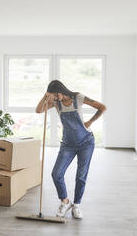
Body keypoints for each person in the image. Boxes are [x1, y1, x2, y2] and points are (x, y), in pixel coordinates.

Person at [35, 80, 106, 219]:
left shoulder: (78, 97)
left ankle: (77, 205)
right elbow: (38, 110)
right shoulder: (56, 103)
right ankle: (65, 202)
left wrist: (90, 122)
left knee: (81, 176)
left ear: (60, 91)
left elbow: (102, 107)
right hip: (68, 144)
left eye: (55, 95)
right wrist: (45, 96)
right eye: (52, 96)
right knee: (56, 174)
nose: (54, 98)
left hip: (86, 142)